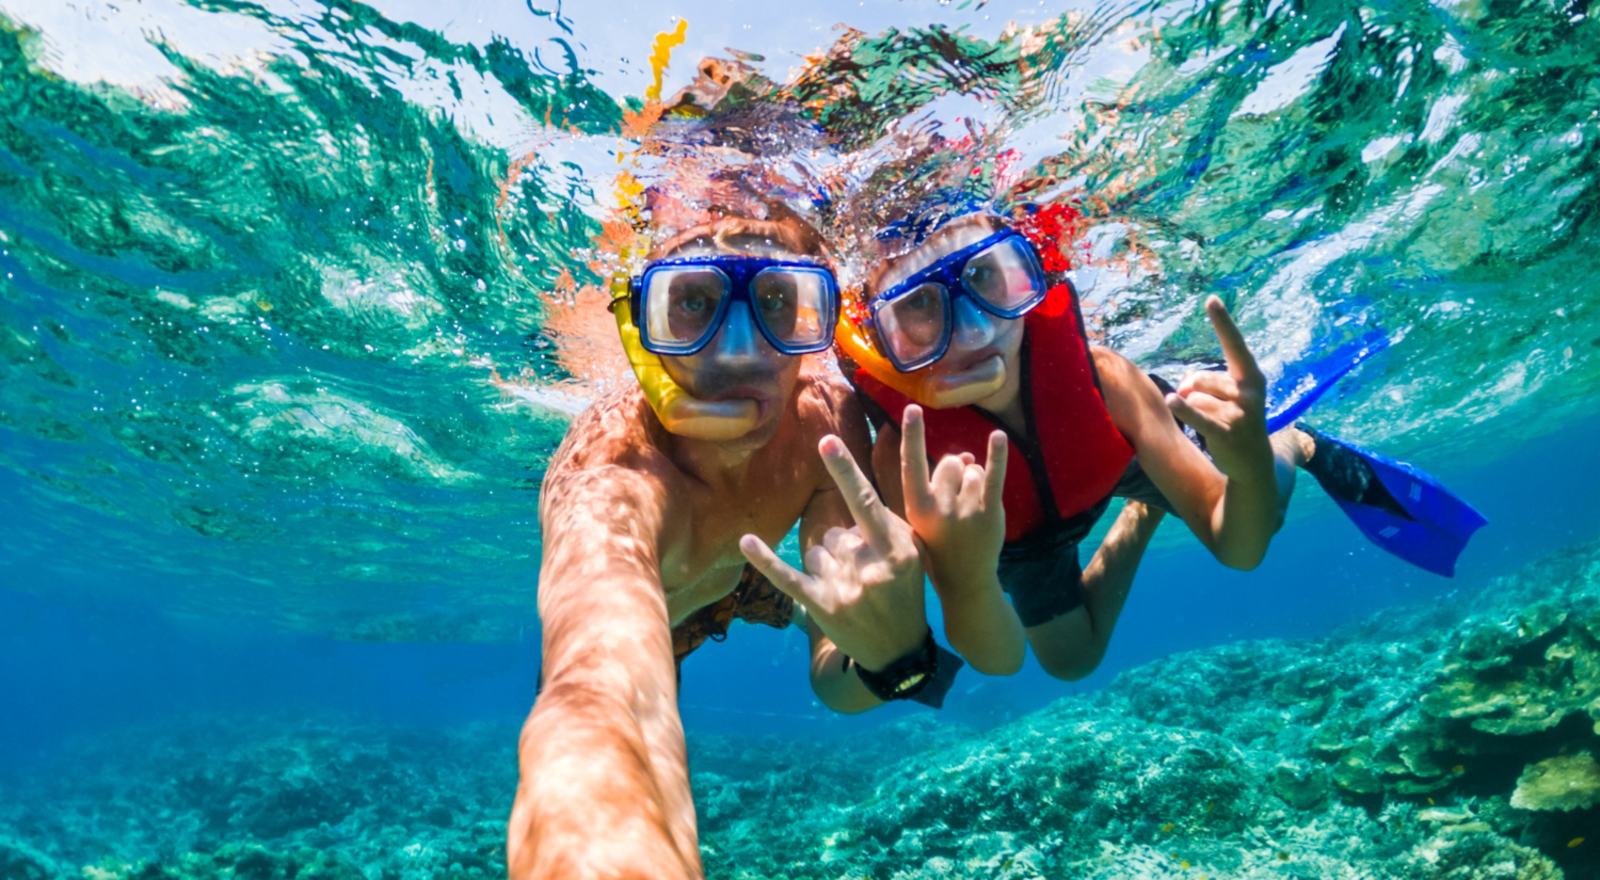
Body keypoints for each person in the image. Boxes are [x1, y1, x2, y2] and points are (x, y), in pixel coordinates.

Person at [810, 209, 1484, 683]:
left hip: (1118, 454)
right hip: (1016, 534)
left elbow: (1237, 549)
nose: (971, 329)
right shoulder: (904, 458)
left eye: (988, 279)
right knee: (1070, 661)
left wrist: (1246, 464)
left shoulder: (1105, 379)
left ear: (1030, 277)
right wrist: (959, 573)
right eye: (921, 308)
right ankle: (1147, 510)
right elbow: (998, 658)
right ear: (882, 341)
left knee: (1264, 508)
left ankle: (1287, 445)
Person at [507, 208, 953, 880]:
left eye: (778, 302)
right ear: (640, 328)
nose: (740, 349)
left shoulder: (827, 428)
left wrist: (897, 657)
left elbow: (837, 676)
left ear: (819, 323)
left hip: (760, 570)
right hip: (671, 610)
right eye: (693, 303)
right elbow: (600, 694)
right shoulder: (611, 473)